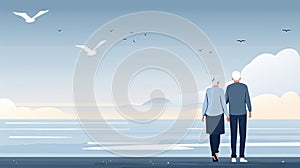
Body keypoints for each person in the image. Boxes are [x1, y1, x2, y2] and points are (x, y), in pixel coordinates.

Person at [225, 71, 252, 163]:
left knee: (233, 135)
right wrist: (250, 110)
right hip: (242, 113)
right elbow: (247, 99)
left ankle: (233, 156)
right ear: (240, 78)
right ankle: (241, 156)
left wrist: (226, 113)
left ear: (232, 78)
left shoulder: (229, 88)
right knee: (242, 135)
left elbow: (225, 101)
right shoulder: (244, 87)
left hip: (232, 113)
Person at [202, 76, 230, 162]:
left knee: (211, 134)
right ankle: (216, 152)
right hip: (219, 114)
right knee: (217, 134)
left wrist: (203, 114)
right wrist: (227, 115)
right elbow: (223, 104)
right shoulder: (221, 90)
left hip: (209, 115)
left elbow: (205, 103)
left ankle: (213, 153)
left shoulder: (208, 90)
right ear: (218, 82)